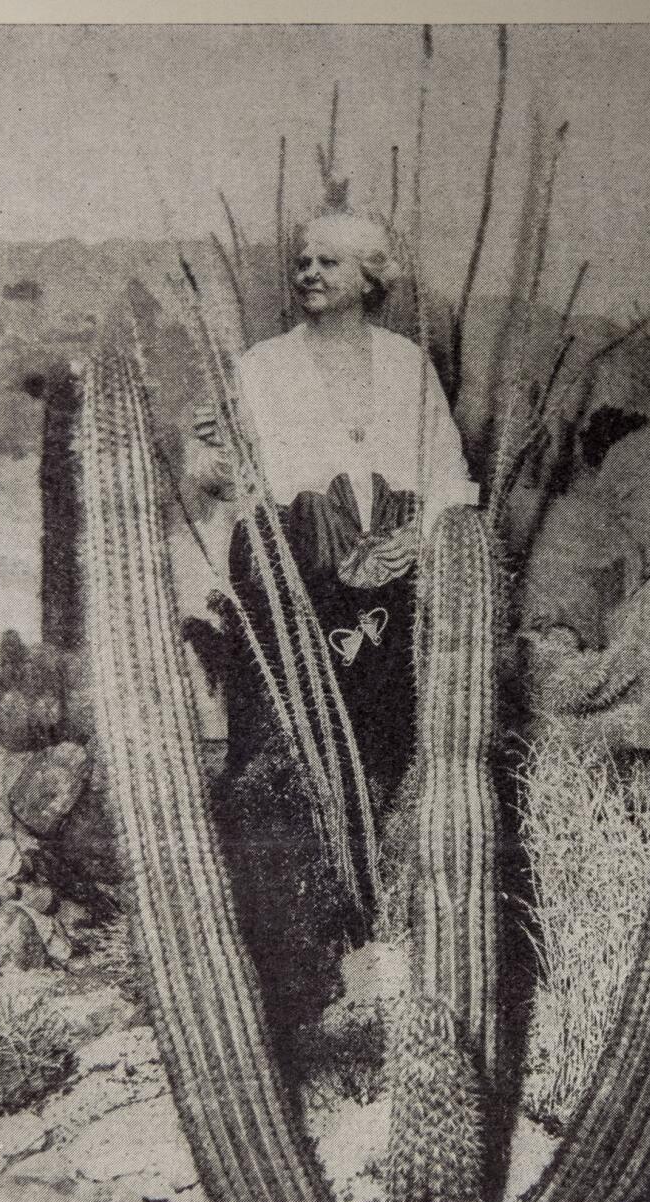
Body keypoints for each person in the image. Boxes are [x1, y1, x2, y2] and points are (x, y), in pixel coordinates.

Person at [190, 207, 474, 810]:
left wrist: (417, 540)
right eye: (302, 262)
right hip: (294, 589)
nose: (310, 273)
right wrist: (214, 462)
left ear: (370, 276)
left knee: (390, 761)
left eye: (328, 261)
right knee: (293, 762)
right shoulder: (261, 368)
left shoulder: (408, 365)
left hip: (397, 593)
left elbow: (450, 478)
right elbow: (222, 481)